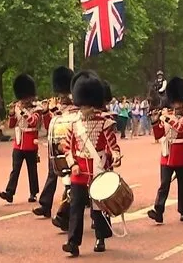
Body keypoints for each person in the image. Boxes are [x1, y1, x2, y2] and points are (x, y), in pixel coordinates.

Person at [61, 70, 121, 257]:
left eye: (87, 106)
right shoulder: (73, 123)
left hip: (98, 167)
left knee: (98, 206)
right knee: (76, 206)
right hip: (79, 170)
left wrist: (116, 156)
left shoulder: (105, 123)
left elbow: (113, 146)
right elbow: (67, 148)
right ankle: (73, 242)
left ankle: (100, 237)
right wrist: (72, 165)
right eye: (82, 106)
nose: (83, 109)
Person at [148, 77, 183, 224]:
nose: (177, 105)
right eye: (175, 102)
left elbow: (182, 128)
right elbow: (159, 135)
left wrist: (166, 118)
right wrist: (155, 121)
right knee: (164, 184)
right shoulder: (167, 116)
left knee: (182, 184)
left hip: (181, 154)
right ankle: (158, 211)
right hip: (166, 154)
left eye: (179, 102)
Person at [35, 66, 75, 218]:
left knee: (71, 179)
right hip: (56, 147)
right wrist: (47, 112)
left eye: (65, 94)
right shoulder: (57, 108)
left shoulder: (75, 107)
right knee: (52, 174)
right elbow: (48, 127)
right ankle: (45, 205)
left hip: (70, 146)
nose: (62, 97)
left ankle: (66, 211)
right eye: (60, 94)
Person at [0, 74, 44, 204]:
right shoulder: (18, 107)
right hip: (18, 143)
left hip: (31, 143)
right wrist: (12, 113)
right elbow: (12, 125)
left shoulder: (37, 108)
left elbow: (33, 122)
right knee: (15, 169)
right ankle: (10, 192)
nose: (24, 100)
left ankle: (33, 193)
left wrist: (23, 111)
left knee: (32, 170)